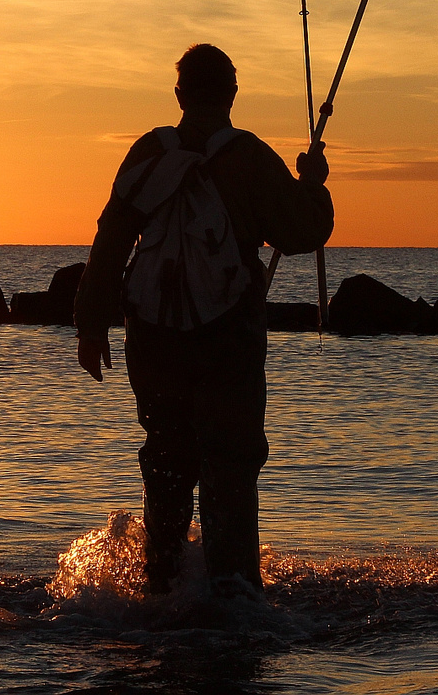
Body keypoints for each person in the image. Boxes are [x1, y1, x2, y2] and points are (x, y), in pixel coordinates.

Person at [73, 43, 332, 595]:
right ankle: (233, 594)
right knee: (230, 464)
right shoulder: (248, 157)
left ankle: (160, 583)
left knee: (166, 455)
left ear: (179, 95)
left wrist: (90, 325)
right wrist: (313, 182)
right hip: (227, 339)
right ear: (233, 94)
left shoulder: (148, 150)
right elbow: (302, 233)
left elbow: (111, 239)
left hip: (153, 337)